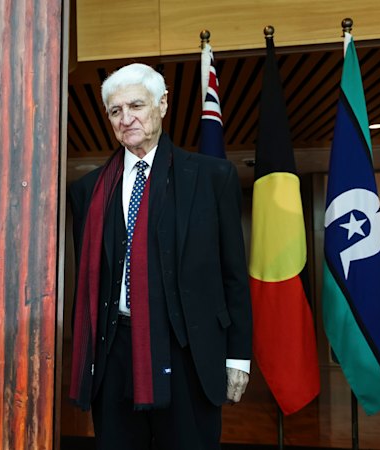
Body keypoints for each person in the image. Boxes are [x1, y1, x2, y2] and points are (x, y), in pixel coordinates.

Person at [68, 63, 252, 450]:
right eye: (116, 111)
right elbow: (87, 287)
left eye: (136, 105)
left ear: (162, 104)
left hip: (188, 352)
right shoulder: (88, 191)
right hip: (115, 353)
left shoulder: (212, 178)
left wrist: (238, 356)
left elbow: (233, 275)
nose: (126, 118)